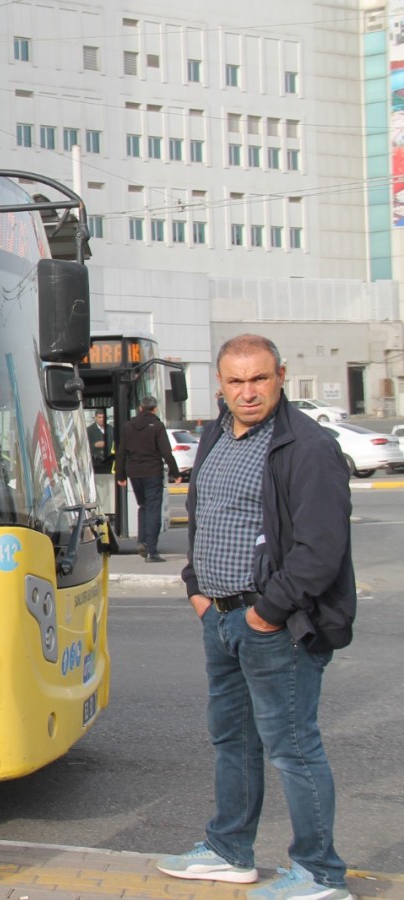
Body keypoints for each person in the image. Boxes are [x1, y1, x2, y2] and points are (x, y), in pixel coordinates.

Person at [157, 334, 356, 900]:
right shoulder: (218, 432)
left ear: (281, 376)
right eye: (236, 381)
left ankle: (320, 874)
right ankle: (229, 850)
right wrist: (196, 587)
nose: (248, 392)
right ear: (219, 384)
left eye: (259, 379)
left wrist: (266, 614)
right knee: (232, 740)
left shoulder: (307, 446)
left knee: (292, 747)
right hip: (219, 619)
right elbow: (204, 513)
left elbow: (320, 549)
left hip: (274, 623)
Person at [115, 395, 179, 562]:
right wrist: (176, 473)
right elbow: (166, 452)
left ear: (140, 408)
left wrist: (120, 474)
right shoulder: (157, 426)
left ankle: (141, 540)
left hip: (134, 473)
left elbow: (121, 451)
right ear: (154, 409)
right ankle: (151, 550)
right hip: (152, 472)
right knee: (153, 509)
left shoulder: (128, 426)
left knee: (143, 506)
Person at [87, 410, 113, 475]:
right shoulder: (89, 430)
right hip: (95, 464)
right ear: (95, 418)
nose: (101, 419)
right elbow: (84, 447)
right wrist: (94, 445)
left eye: (103, 417)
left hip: (109, 463)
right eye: (99, 417)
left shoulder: (111, 429)